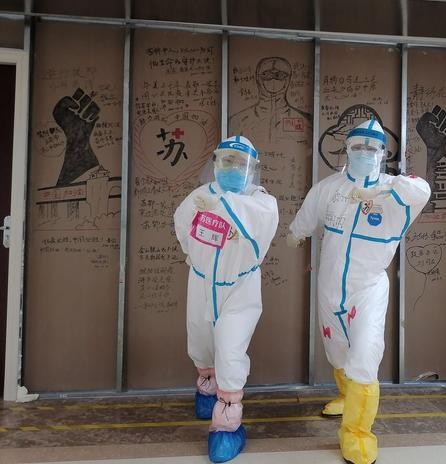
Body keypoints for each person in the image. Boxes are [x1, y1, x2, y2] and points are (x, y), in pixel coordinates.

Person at [287, 120, 431, 464]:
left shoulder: (395, 191)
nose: (364, 152)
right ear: (347, 149)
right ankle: (347, 396)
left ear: (382, 153)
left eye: (372, 147)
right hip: (329, 284)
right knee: (337, 350)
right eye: (358, 146)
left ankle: (356, 433)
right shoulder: (329, 188)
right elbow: (307, 217)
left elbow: (421, 190)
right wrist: (296, 232)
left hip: (367, 287)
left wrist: (381, 191)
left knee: (365, 354)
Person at [174, 135, 278, 463]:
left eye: (240, 163)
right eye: (227, 160)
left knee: (230, 351)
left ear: (253, 168)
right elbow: (182, 228)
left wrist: (219, 206)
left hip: (239, 288)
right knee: (200, 340)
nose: (233, 168)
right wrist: (194, 254)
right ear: (216, 163)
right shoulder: (200, 196)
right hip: (202, 282)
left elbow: (257, 225)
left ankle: (227, 426)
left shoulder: (261, 202)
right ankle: (206, 390)